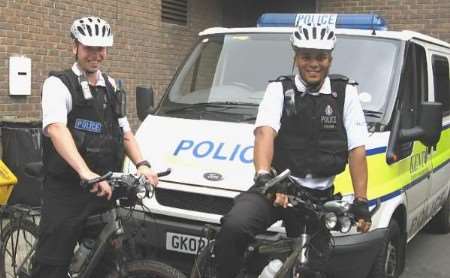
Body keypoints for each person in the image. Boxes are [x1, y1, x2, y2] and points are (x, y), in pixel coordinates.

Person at [214, 22, 371, 278]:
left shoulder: (345, 94)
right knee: (235, 226)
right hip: (279, 187)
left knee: (311, 267)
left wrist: (362, 201)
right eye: (306, 56)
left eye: (320, 57)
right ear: (296, 58)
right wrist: (264, 175)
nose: (314, 63)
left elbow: (357, 151)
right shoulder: (279, 90)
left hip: (318, 199)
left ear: (330, 60)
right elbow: (265, 133)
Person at [32, 16, 159, 278]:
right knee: (52, 267)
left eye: (101, 48)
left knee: (104, 263)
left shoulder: (112, 87)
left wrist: (143, 164)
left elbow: (125, 133)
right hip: (67, 190)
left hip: (103, 190)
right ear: (75, 47)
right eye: (89, 47)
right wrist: (84, 171)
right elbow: (57, 128)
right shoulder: (58, 84)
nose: (96, 54)